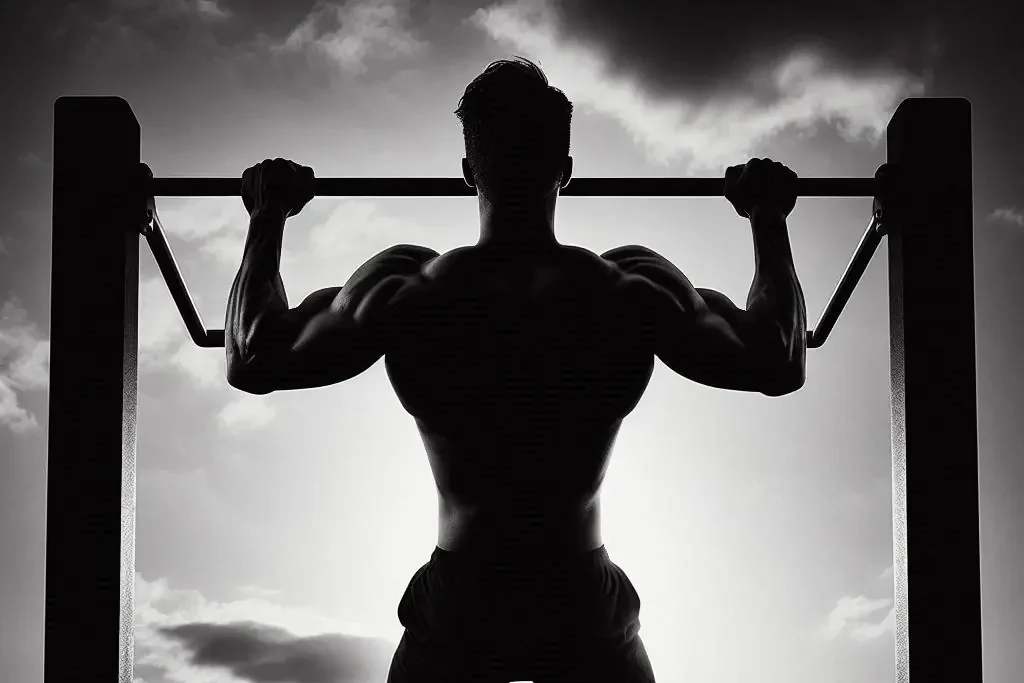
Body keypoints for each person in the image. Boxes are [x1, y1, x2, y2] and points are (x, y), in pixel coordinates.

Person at [225, 56, 807, 683]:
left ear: (469, 171)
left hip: (464, 597)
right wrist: (768, 219)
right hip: (577, 597)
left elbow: (255, 357)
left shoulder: (407, 288)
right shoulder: (628, 287)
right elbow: (775, 359)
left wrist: (268, 216)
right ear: (566, 170)